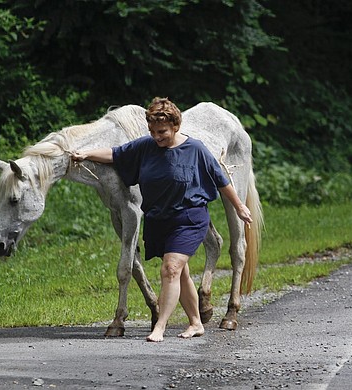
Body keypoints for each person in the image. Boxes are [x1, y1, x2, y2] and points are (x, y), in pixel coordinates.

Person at [70, 97, 253, 342]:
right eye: (153, 131)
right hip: (160, 220)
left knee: (170, 269)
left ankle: (160, 326)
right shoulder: (146, 146)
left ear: (176, 126)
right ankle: (196, 322)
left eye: (162, 132)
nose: (157, 136)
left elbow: (220, 179)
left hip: (190, 217)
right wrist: (86, 153)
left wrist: (240, 206)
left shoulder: (195, 149)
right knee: (182, 273)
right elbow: (115, 154)